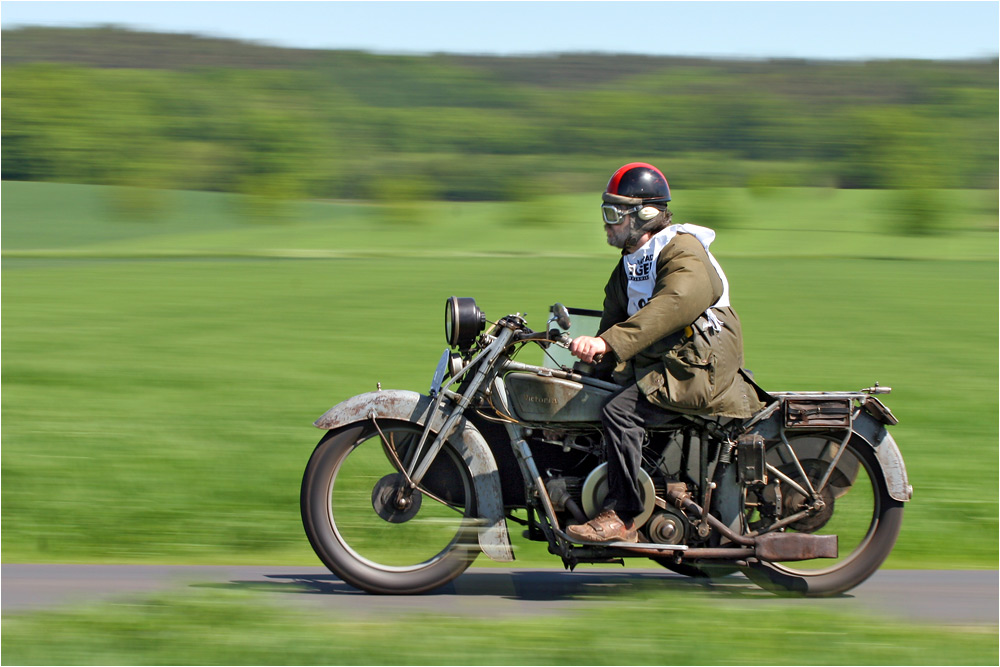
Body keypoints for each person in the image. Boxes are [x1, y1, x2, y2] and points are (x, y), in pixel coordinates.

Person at [566, 162, 764, 544]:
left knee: (619, 412)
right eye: (604, 212)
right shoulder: (628, 267)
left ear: (646, 214)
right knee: (592, 394)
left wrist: (609, 343)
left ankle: (623, 515)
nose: (606, 223)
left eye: (614, 213)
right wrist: (584, 363)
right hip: (667, 365)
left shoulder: (682, 249)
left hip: (698, 365)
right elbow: (612, 325)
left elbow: (678, 301)